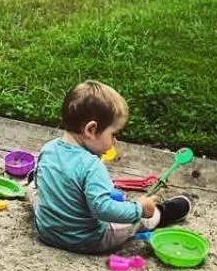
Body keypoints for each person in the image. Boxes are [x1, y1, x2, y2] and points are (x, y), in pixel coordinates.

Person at [29, 80, 192, 254]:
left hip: (46, 231)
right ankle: (163, 213)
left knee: (33, 189)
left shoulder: (48, 148)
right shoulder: (91, 165)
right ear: (91, 130)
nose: (115, 141)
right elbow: (103, 210)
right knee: (136, 221)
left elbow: (39, 183)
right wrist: (139, 209)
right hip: (86, 240)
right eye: (113, 134)